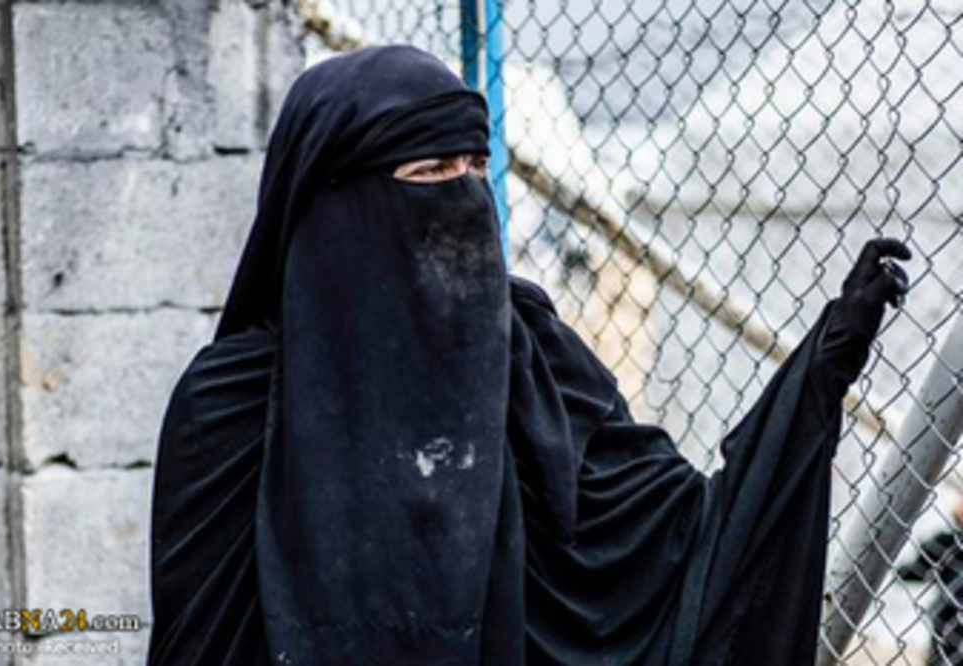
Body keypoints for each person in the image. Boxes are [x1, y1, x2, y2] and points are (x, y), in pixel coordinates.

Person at [147, 45, 911, 666]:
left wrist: (817, 376)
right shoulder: (234, 408)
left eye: (474, 169)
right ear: (332, 199)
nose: (462, 198)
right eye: (429, 174)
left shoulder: (533, 362)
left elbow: (685, 551)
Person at [898, 497, 963, 665]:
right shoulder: (948, 544)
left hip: (949, 627)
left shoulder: (948, 543)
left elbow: (908, 573)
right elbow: (910, 573)